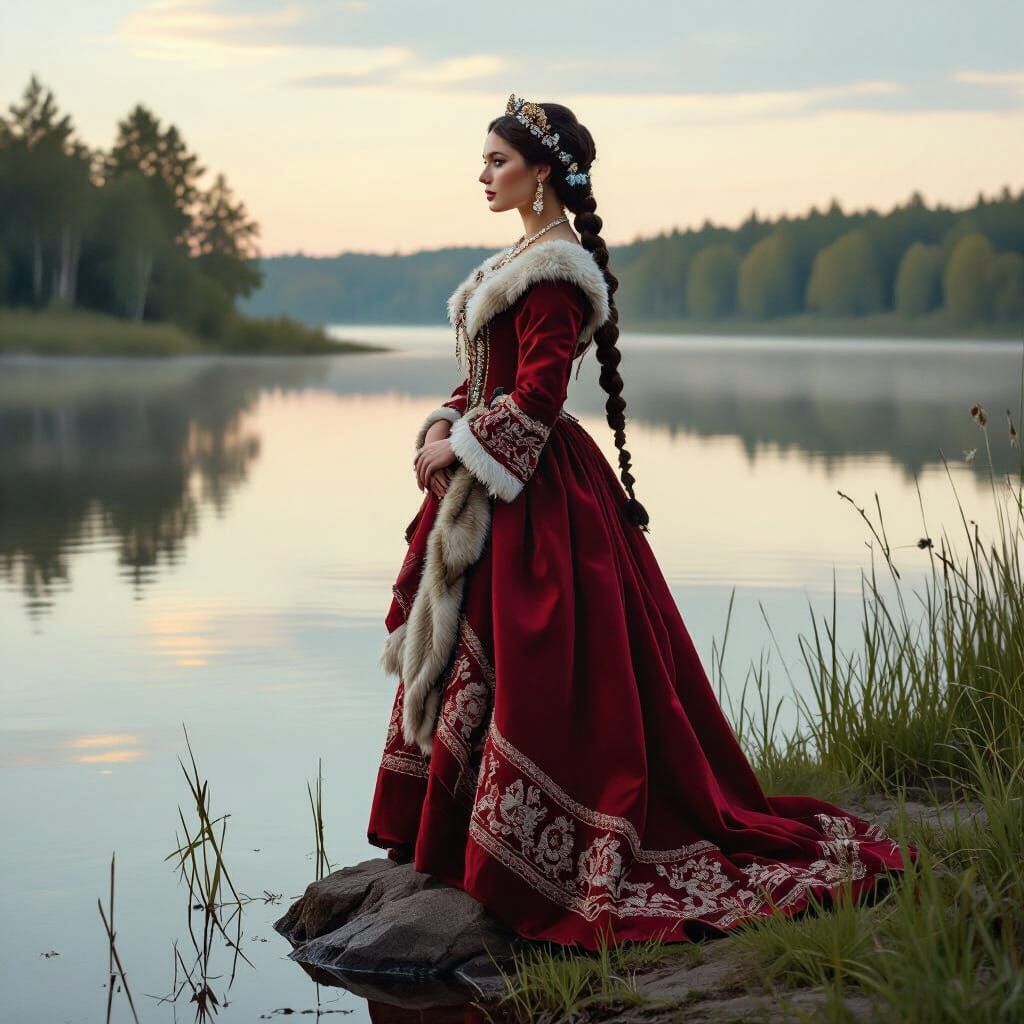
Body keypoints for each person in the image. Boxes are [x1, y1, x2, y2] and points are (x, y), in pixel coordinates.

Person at [366, 93, 916, 950]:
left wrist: (461, 445)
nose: (483, 175)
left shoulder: (556, 272)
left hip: (538, 496)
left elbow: (537, 396)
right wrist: (443, 426)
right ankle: (461, 840)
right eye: (483, 162)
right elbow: (482, 379)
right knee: (481, 653)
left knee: (541, 663)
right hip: (489, 479)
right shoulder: (519, 259)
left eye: (497, 162)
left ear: (540, 173)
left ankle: (526, 855)